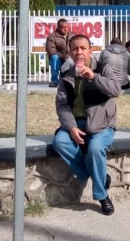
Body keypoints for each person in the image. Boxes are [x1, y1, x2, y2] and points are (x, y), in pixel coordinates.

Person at [52, 35, 120, 216]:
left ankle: (101, 195)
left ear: (91, 51)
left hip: (101, 124)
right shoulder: (67, 74)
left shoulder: (104, 69)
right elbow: (62, 104)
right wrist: (71, 127)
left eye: (83, 48)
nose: (79, 52)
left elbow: (115, 90)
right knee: (60, 142)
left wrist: (94, 77)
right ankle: (96, 175)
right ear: (70, 53)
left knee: (96, 148)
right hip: (76, 123)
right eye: (75, 49)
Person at [45, 19, 72, 87]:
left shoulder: (72, 35)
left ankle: (73, 81)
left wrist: (70, 56)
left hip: (70, 58)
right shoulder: (52, 37)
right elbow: (51, 50)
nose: (66, 29)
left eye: (67, 27)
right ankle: (54, 81)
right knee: (54, 58)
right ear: (59, 27)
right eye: (64, 27)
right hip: (59, 59)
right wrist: (64, 57)